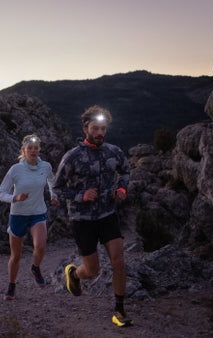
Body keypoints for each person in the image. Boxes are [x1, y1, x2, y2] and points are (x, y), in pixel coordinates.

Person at [53, 105, 133, 327]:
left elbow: (126, 171)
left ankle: (119, 310)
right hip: (82, 220)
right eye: (95, 128)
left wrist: (122, 189)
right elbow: (56, 188)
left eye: (103, 129)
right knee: (92, 269)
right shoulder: (72, 157)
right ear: (85, 128)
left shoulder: (113, 152)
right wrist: (80, 195)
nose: (100, 133)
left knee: (119, 260)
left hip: (107, 214)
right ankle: (75, 275)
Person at [0, 134, 58, 300]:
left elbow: (52, 181)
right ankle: (11, 285)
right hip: (18, 214)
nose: (33, 151)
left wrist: (54, 195)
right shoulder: (15, 170)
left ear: (39, 150)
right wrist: (14, 198)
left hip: (37, 212)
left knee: (40, 246)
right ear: (23, 150)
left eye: (36, 148)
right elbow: (1, 193)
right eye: (29, 148)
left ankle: (35, 268)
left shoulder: (45, 166)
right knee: (16, 256)